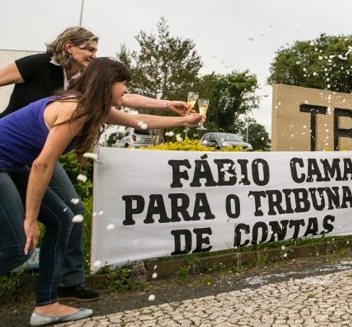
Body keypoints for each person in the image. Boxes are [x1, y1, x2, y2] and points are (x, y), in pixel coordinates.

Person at [0, 57, 202, 325]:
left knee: (62, 220)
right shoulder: (75, 109)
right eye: (123, 84)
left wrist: (182, 122)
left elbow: (138, 121)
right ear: (107, 83)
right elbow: (43, 164)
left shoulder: (93, 107)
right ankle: (47, 302)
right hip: (6, 165)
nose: (126, 91)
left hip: (14, 164)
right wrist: (30, 219)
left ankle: (46, 306)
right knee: (18, 248)